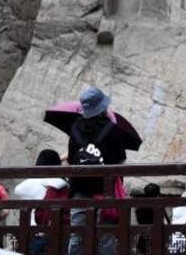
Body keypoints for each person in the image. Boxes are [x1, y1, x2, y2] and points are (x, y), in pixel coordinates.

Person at [67, 86, 126, 255]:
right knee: (106, 236)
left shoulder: (75, 129)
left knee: (77, 235)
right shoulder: (113, 130)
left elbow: (71, 159)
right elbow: (121, 161)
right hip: (105, 192)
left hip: (79, 190)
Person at [14, 148, 68, 255]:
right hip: (59, 233)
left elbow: (17, 190)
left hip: (34, 233)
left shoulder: (31, 183)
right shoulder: (63, 182)